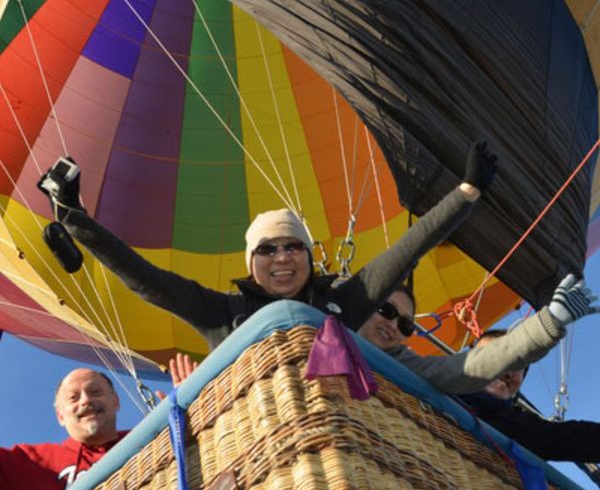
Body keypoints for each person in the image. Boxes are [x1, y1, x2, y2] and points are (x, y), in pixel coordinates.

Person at [38, 143, 496, 350]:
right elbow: (146, 280)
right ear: (251, 263)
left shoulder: (343, 302)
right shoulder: (223, 313)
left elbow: (408, 250)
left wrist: (466, 194)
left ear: (308, 255)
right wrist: (75, 220)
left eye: (293, 247)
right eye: (268, 250)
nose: (282, 258)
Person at [357, 274, 599, 396]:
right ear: (366, 303)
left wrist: (548, 324)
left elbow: (467, 367)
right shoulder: (328, 314)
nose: (393, 325)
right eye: (386, 310)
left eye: (406, 326)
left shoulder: (402, 364)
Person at [0, 369, 125, 490]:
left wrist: (171, 420)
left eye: (95, 392)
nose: (86, 400)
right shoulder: (25, 464)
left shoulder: (153, 438)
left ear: (115, 401)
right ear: (60, 416)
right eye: (73, 398)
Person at [458, 331, 600, 462]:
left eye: (518, 364)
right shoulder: (440, 384)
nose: (508, 370)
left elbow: (573, 438)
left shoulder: (518, 425)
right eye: (494, 356)